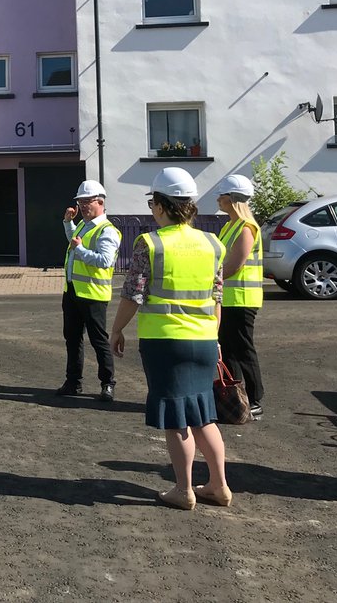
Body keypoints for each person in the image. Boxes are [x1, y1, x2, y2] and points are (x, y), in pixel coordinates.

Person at [109, 167, 229, 511]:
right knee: (204, 413)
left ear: (161, 205)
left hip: (165, 342)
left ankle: (184, 489)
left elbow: (134, 294)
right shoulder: (212, 243)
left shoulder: (150, 243)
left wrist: (117, 329)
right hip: (205, 339)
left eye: (152, 204)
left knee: (176, 416)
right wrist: (215, 337)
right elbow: (216, 295)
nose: (151, 211)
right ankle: (219, 485)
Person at [58, 180, 121, 403]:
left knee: (98, 340)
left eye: (88, 202)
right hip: (74, 290)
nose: (83, 206)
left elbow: (104, 261)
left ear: (100, 202)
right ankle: (73, 382)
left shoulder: (108, 231)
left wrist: (80, 249)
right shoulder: (85, 224)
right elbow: (74, 241)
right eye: (81, 202)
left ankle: (108, 384)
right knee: (72, 338)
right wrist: (68, 223)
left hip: (94, 294)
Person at [215, 174, 265, 418]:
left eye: (221, 196)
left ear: (232, 199)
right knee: (229, 349)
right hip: (229, 298)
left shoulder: (247, 227)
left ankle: (255, 399)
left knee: (243, 349)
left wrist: (210, 280)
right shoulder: (230, 225)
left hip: (243, 299)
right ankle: (236, 397)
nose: (218, 200)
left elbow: (234, 264)